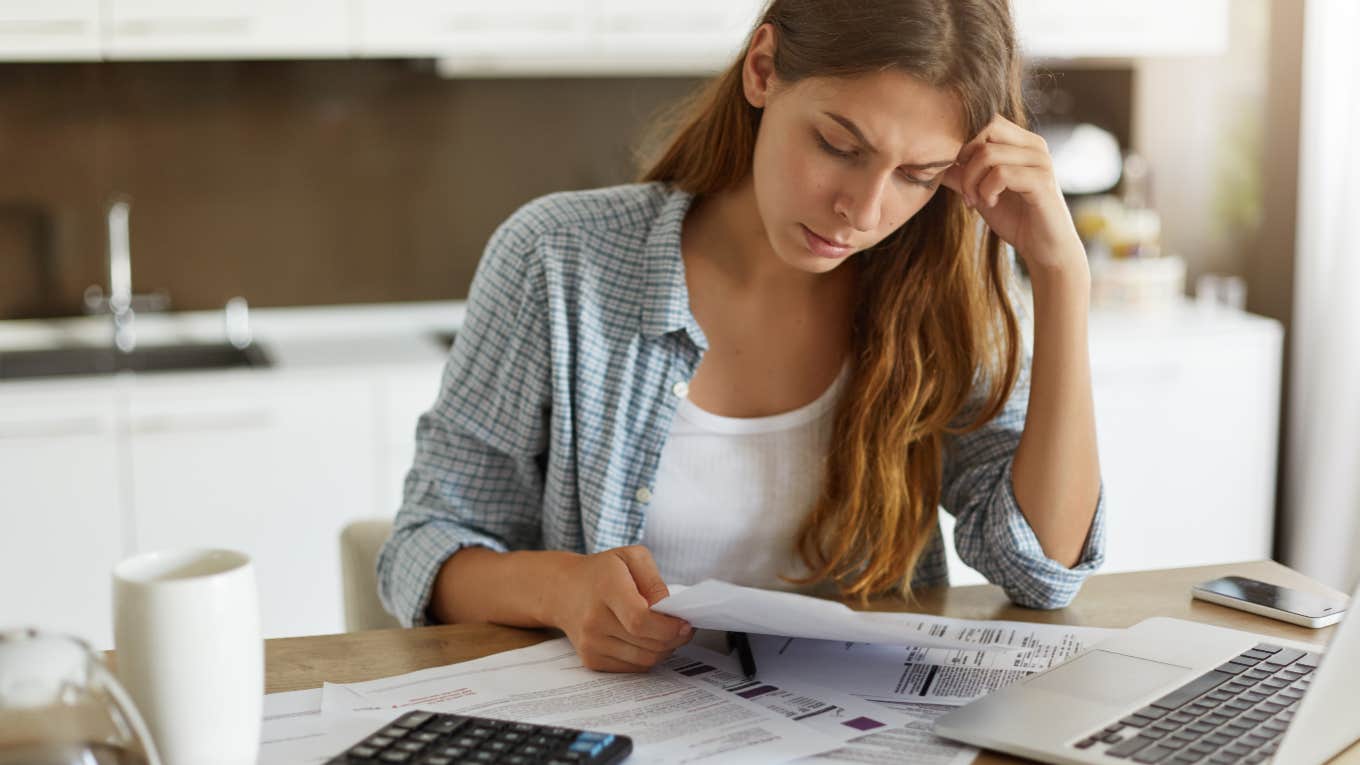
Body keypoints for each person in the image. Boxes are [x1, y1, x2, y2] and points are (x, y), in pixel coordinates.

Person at [378, 0, 1106, 673]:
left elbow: (1040, 570)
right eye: (837, 144)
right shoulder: (558, 260)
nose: (863, 209)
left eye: (918, 175)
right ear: (763, 69)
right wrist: (563, 589)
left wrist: (1060, 273)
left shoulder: (942, 295)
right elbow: (423, 546)